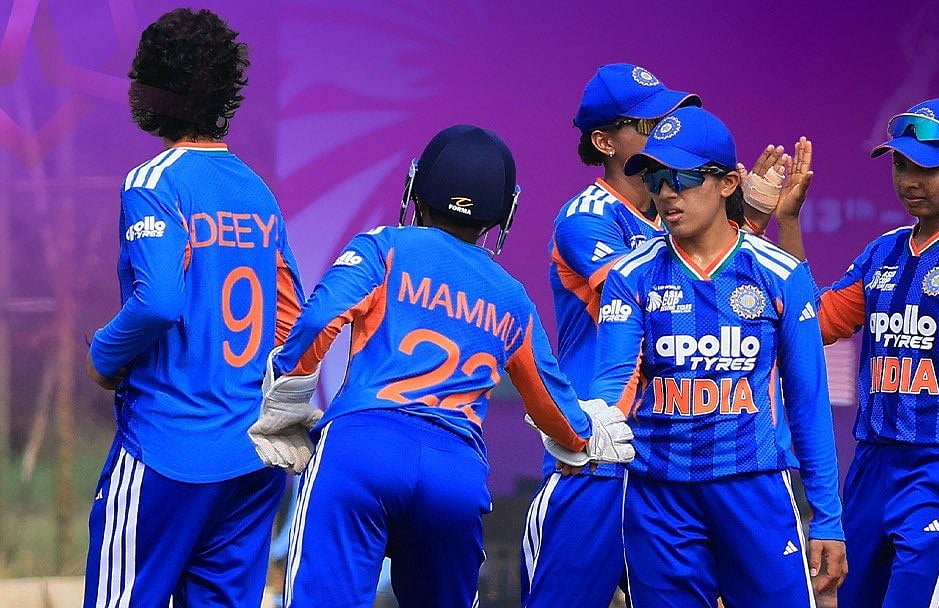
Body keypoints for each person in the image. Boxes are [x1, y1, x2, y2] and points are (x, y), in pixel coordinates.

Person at [253, 125, 635, 608]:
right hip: (454, 472)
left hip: (360, 451)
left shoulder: (382, 247)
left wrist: (285, 396)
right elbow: (551, 404)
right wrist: (585, 432)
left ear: (416, 188)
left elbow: (319, 320)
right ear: (503, 214)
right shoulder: (510, 295)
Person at [521, 63, 789, 608]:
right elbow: (668, 307)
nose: (664, 128)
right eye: (645, 123)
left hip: (667, 463)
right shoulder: (587, 218)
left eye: (668, 115)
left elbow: (707, 296)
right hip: (598, 459)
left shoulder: (676, 228)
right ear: (603, 141)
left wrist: (745, 225)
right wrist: (739, 225)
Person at [773, 96, 939, 608]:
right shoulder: (884, 250)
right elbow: (812, 324)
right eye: (900, 164)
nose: (909, 180)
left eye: (926, 168)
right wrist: (788, 223)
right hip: (873, 463)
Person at [83, 8, 303, 607]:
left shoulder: (153, 182)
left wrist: (102, 355)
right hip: (250, 460)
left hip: (167, 449)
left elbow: (158, 301)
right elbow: (291, 317)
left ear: (150, 89)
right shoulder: (256, 190)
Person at [590, 105, 847, 607]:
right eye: (656, 179)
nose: (666, 192)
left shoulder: (781, 274)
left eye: (682, 177)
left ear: (729, 183)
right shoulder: (631, 274)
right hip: (657, 498)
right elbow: (613, 385)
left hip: (754, 490)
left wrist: (829, 518)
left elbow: (808, 402)